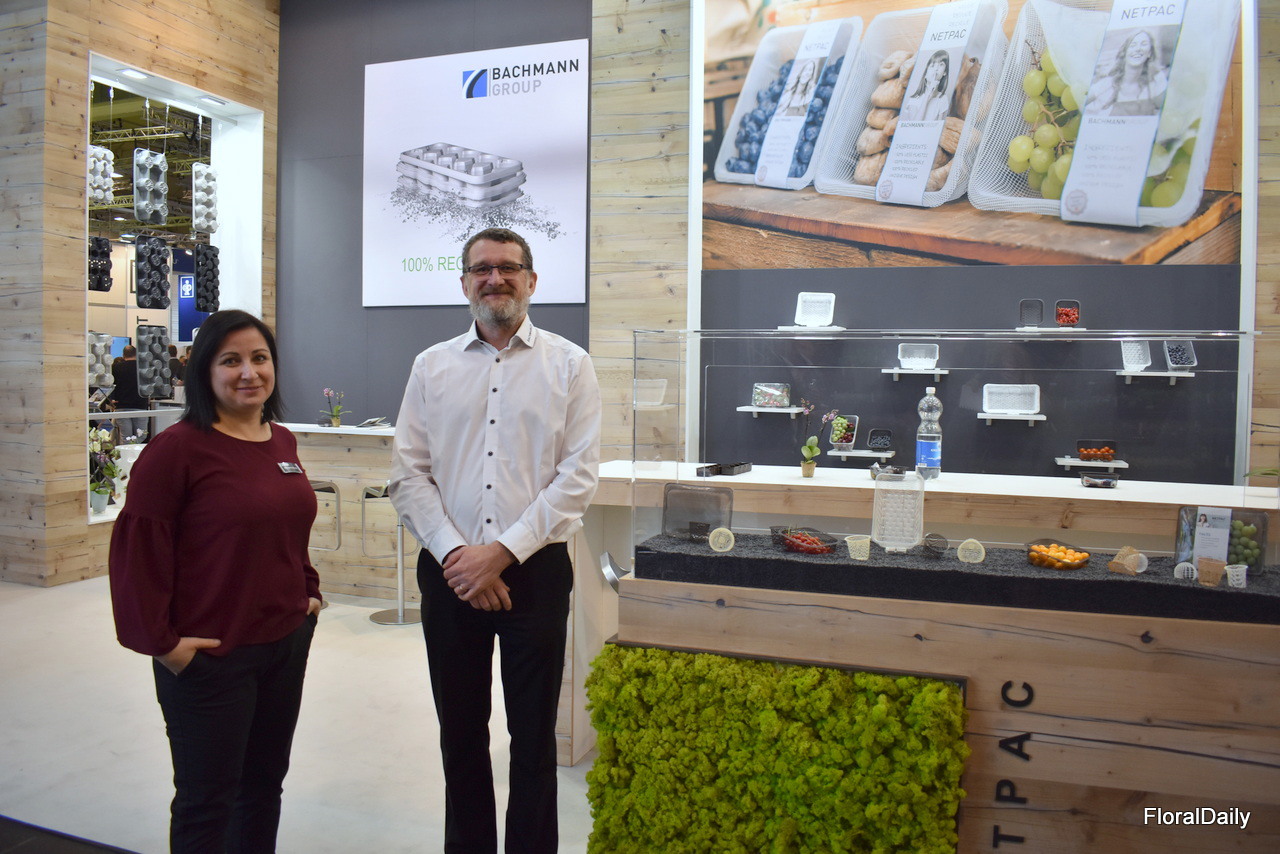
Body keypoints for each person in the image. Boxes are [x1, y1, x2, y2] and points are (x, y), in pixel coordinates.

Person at [390, 227, 601, 853]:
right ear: (464, 283)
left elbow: (577, 477)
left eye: (508, 267)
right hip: (450, 573)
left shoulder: (570, 365)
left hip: (535, 573)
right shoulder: (431, 366)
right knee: (460, 735)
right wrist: (461, 557)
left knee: (534, 740)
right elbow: (408, 474)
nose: (495, 278)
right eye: (482, 268)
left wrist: (500, 554)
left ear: (531, 281)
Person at [109, 309, 322, 854]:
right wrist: (163, 645)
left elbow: (287, 531)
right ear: (204, 370)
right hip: (212, 656)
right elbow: (138, 554)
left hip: (283, 644)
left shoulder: (281, 441)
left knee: (263, 787)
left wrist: (308, 591)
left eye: (259, 358)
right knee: (208, 802)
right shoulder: (176, 450)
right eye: (231, 360)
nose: (249, 372)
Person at [1084, 29, 1168, 117]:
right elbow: (1080, 102)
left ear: (1149, 53)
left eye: (1144, 44)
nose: (1138, 49)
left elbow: (1166, 111)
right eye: (1133, 45)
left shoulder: (1156, 81)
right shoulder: (1107, 84)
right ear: (1125, 52)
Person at [107, 344, 150, 440]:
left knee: (125, 436)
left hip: (122, 406)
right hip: (140, 405)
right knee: (142, 435)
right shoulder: (143, 368)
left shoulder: (115, 368)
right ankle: (135, 448)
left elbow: (109, 386)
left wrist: (110, 400)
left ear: (123, 355)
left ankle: (127, 449)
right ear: (136, 354)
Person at [900, 49, 951, 122]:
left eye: (941, 65)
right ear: (926, 74)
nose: (936, 69)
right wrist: (927, 95)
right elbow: (914, 125)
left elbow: (939, 127)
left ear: (944, 72)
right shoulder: (915, 99)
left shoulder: (943, 99)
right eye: (932, 65)